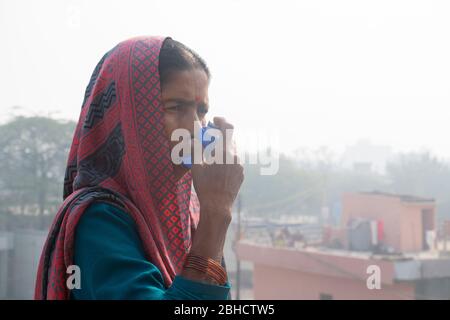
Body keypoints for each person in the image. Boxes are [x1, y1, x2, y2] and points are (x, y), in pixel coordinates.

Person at [34, 36, 244, 300]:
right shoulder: (99, 219)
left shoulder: (188, 213)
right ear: (129, 115)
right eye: (176, 107)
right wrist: (216, 211)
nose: (195, 128)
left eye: (201, 111)